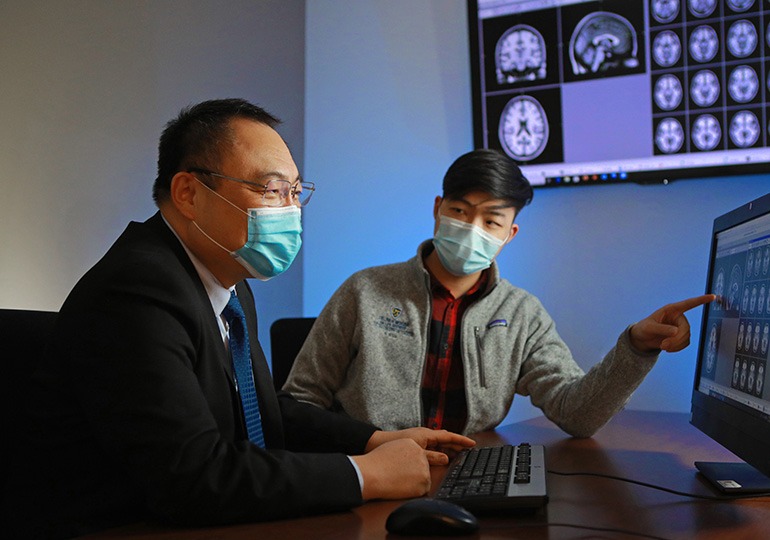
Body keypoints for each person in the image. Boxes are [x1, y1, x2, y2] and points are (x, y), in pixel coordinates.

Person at [1, 99, 472, 540]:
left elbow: (264, 411)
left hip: (196, 530)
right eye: (271, 190)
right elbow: (192, 478)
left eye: (295, 192)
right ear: (188, 193)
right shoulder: (136, 289)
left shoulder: (226, 280)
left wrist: (373, 440)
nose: (290, 210)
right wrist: (364, 475)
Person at [283, 149, 714, 436]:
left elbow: (576, 413)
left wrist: (636, 347)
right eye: (459, 211)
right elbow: (300, 402)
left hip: (469, 476)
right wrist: (371, 444)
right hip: (369, 470)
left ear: (510, 233)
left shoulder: (523, 314)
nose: (472, 228)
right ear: (437, 209)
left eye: (491, 221)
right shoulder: (365, 291)